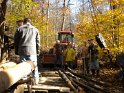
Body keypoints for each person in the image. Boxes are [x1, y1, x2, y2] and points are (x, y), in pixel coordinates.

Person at [14, 18, 40, 84]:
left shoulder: (19, 29)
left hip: (22, 50)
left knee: (23, 67)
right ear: (30, 22)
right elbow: (38, 42)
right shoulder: (35, 29)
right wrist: (38, 51)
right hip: (32, 51)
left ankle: (24, 82)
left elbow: (16, 41)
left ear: (24, 22)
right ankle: (36, 81)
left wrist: (16, 51)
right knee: (34, 66)